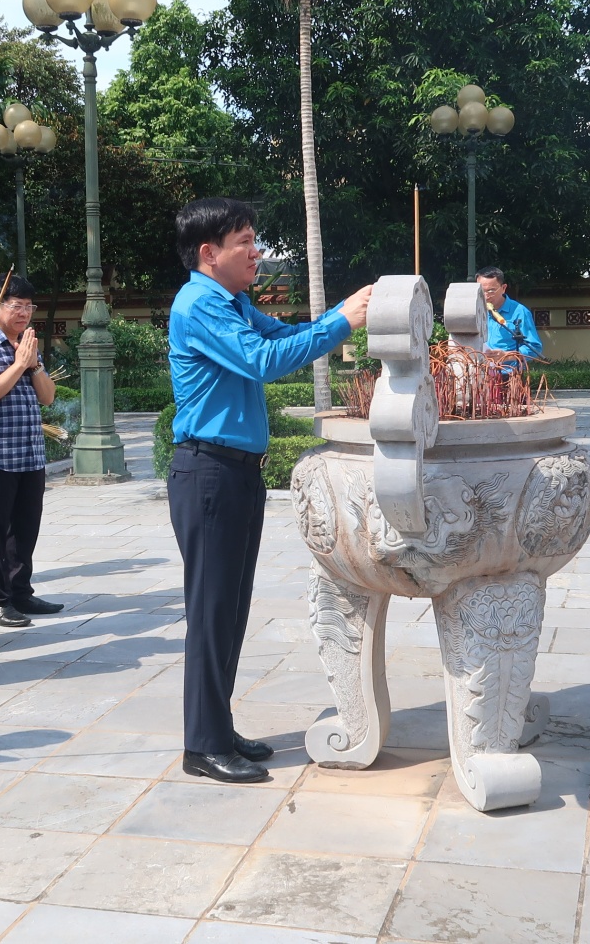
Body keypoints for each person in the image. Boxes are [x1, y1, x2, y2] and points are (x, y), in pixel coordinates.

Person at [166, 198, 371, 783]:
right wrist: (343, 321)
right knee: (210, 612)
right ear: (210, 253)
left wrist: (339, 316)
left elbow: (284, 336)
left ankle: (215, 725)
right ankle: (202, 746)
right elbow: (264, 361)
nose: (256, 252)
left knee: (229, 610)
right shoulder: (200, 303)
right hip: (207, 471)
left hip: (233, 471)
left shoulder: (230, 301)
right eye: (245, 242)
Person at [0, 273, 61, 628]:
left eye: (29, 306)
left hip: (29, 453)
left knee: (25, 527)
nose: (25, 312)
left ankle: (19, 590)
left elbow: (48, 396)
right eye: (17, 305)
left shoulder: (27, 343)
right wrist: (19, 364)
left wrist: (34, 363)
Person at [474, 267, 543, 369]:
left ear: (503, 288)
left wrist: (506, 356)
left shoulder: (519, 312)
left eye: (491, 290)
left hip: (508, 375)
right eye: (482, 291)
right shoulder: (475, 311)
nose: (486, 296)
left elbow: (534, 347)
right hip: (479, 375)